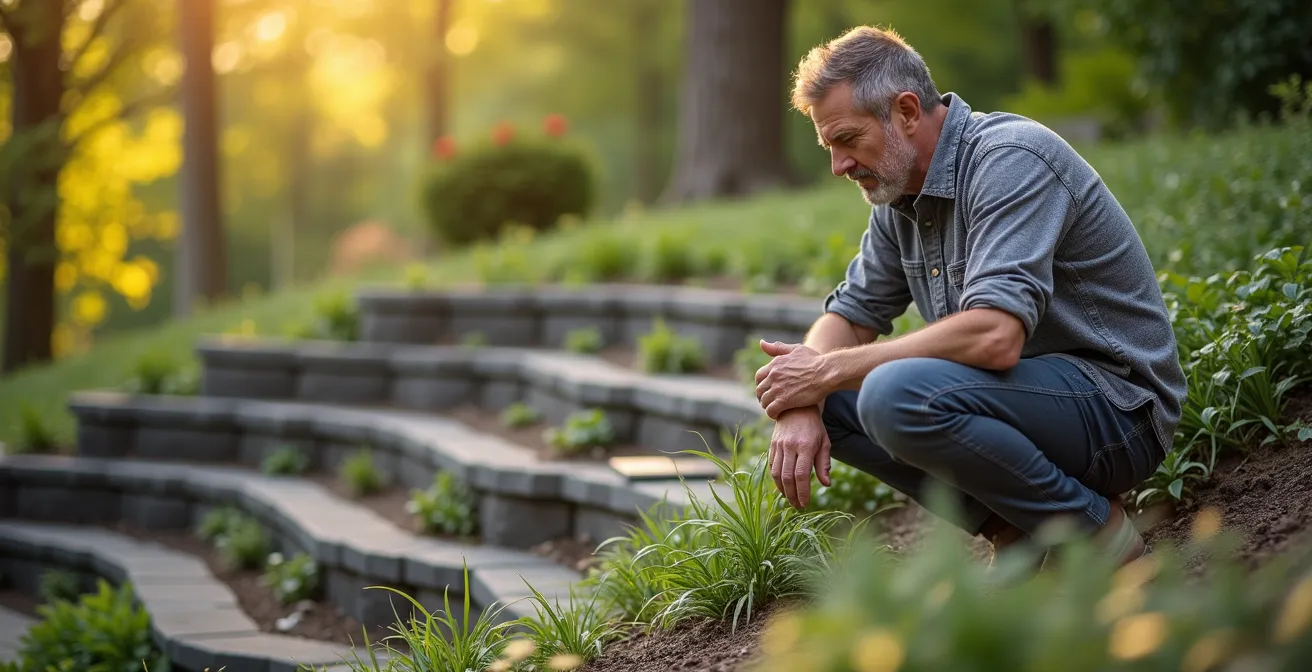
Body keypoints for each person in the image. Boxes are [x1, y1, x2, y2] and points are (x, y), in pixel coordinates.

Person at [751, 26, 1187, 567]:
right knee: (837, 401)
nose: (838, 165)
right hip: (1025, 405)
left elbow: (995, 335)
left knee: (887, 393)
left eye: (848, 139)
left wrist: (824, 372)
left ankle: (1097, 536)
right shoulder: (899, 197)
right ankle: (1019, 532)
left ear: (906, 112)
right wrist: (803, 396)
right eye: (830, 147)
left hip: (1118, 412)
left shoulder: (1010, 159)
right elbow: (850, 313)